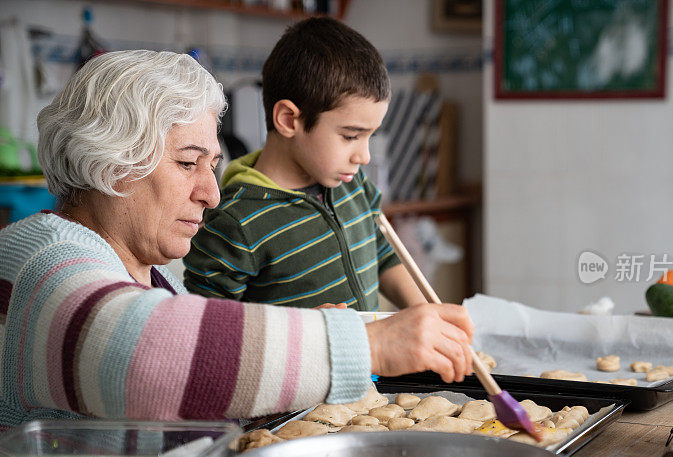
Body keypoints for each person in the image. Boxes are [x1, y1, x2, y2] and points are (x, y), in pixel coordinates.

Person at [0, 50, 473, 431]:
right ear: (110, 164)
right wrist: (361, 346)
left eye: (212, 164)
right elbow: (140, 352)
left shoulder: (152, 275)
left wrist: (306, 356)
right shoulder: (45, 259)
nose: (210, 193)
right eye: (188, 163)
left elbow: (191, 403)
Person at [182, 17, 425, 311]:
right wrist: (307, 334)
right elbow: (208, 327)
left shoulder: (353, 183)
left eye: (369, 137)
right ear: (288, 120)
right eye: (350, 136)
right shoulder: (236, 222)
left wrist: (424, 312)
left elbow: (380, 251)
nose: (364, 156)